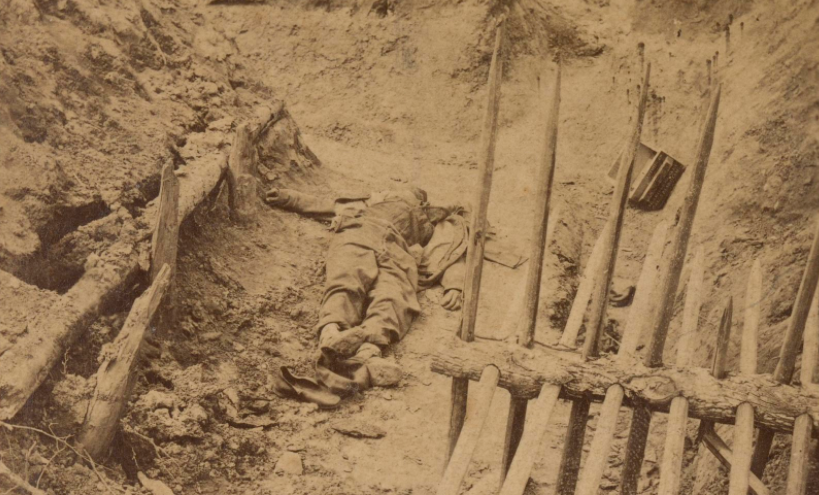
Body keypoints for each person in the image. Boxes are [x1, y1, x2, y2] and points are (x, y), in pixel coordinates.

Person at [265, 186, 470, 404]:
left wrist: (454, 284)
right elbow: (325, 205)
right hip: (360, 232)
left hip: (398, 249)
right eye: (404, 193)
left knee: (394, 294)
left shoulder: (433, 223)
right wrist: (288, 197)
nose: (409, 197)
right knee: (346, 280)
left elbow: (447, 252)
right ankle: (331, 332)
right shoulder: (372, 202)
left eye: (417, 196)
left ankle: (369, 352)